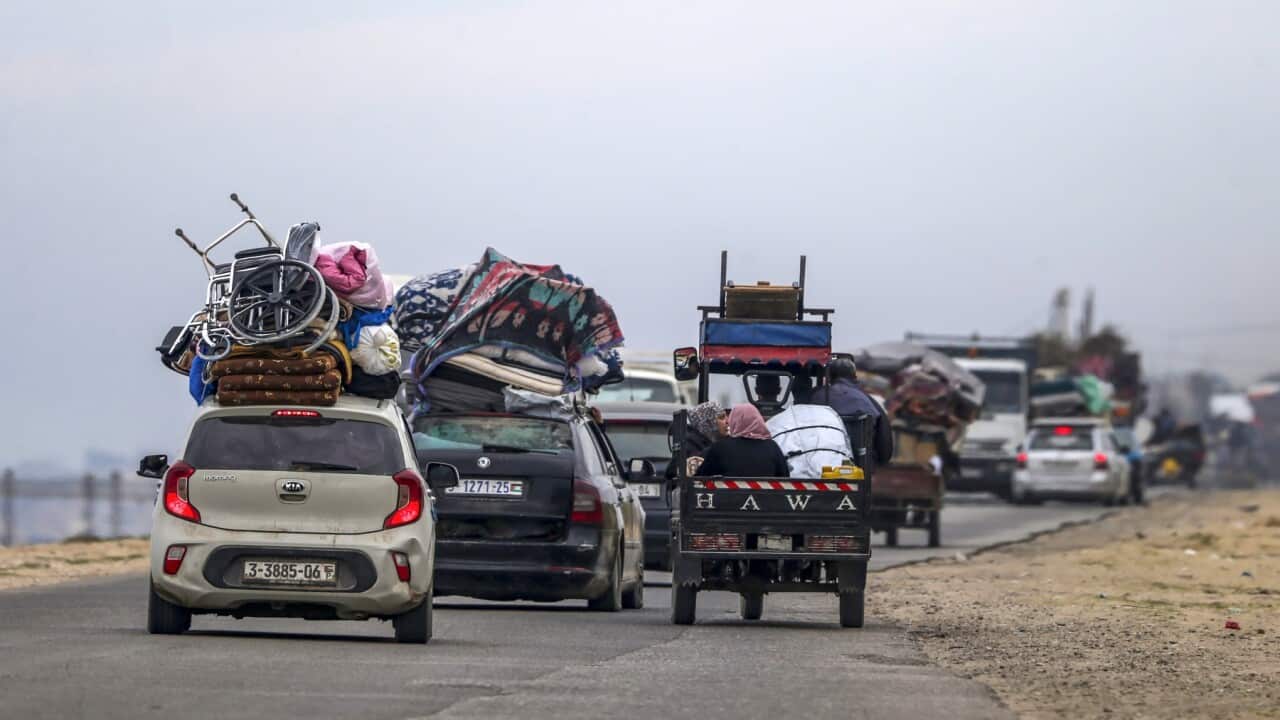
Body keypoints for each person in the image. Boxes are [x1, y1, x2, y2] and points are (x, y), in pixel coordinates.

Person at [810, 357, 894, 475]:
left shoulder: (815, 396)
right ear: (854, 377)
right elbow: (884, 442)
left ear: (830, 377)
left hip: (815, 465)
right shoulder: (868, 401)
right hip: (859, 469)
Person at [696, 404, 790, 478]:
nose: (727, 421)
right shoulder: (772, 447)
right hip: (768, 501)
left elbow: (699, 480)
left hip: (727, 501)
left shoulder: (720, 447)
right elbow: (785, 479)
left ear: (734, 421)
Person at [667, 401, 727, 482]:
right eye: (721, 417)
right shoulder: (689, 447)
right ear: (707, 422)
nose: (727, 421)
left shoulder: (715, 442)